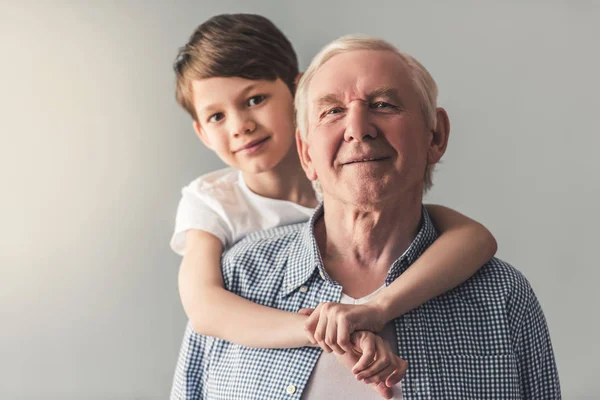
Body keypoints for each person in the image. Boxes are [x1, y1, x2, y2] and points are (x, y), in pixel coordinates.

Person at [170, 14, 505, 399]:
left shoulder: (349, 179)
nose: (240, 125)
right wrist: (333, 331)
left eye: (255, 99)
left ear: (297, 96)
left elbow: (473, 237)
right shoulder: (214, 205)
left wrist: (376, 309)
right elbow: (205, 308)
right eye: (216, 116)